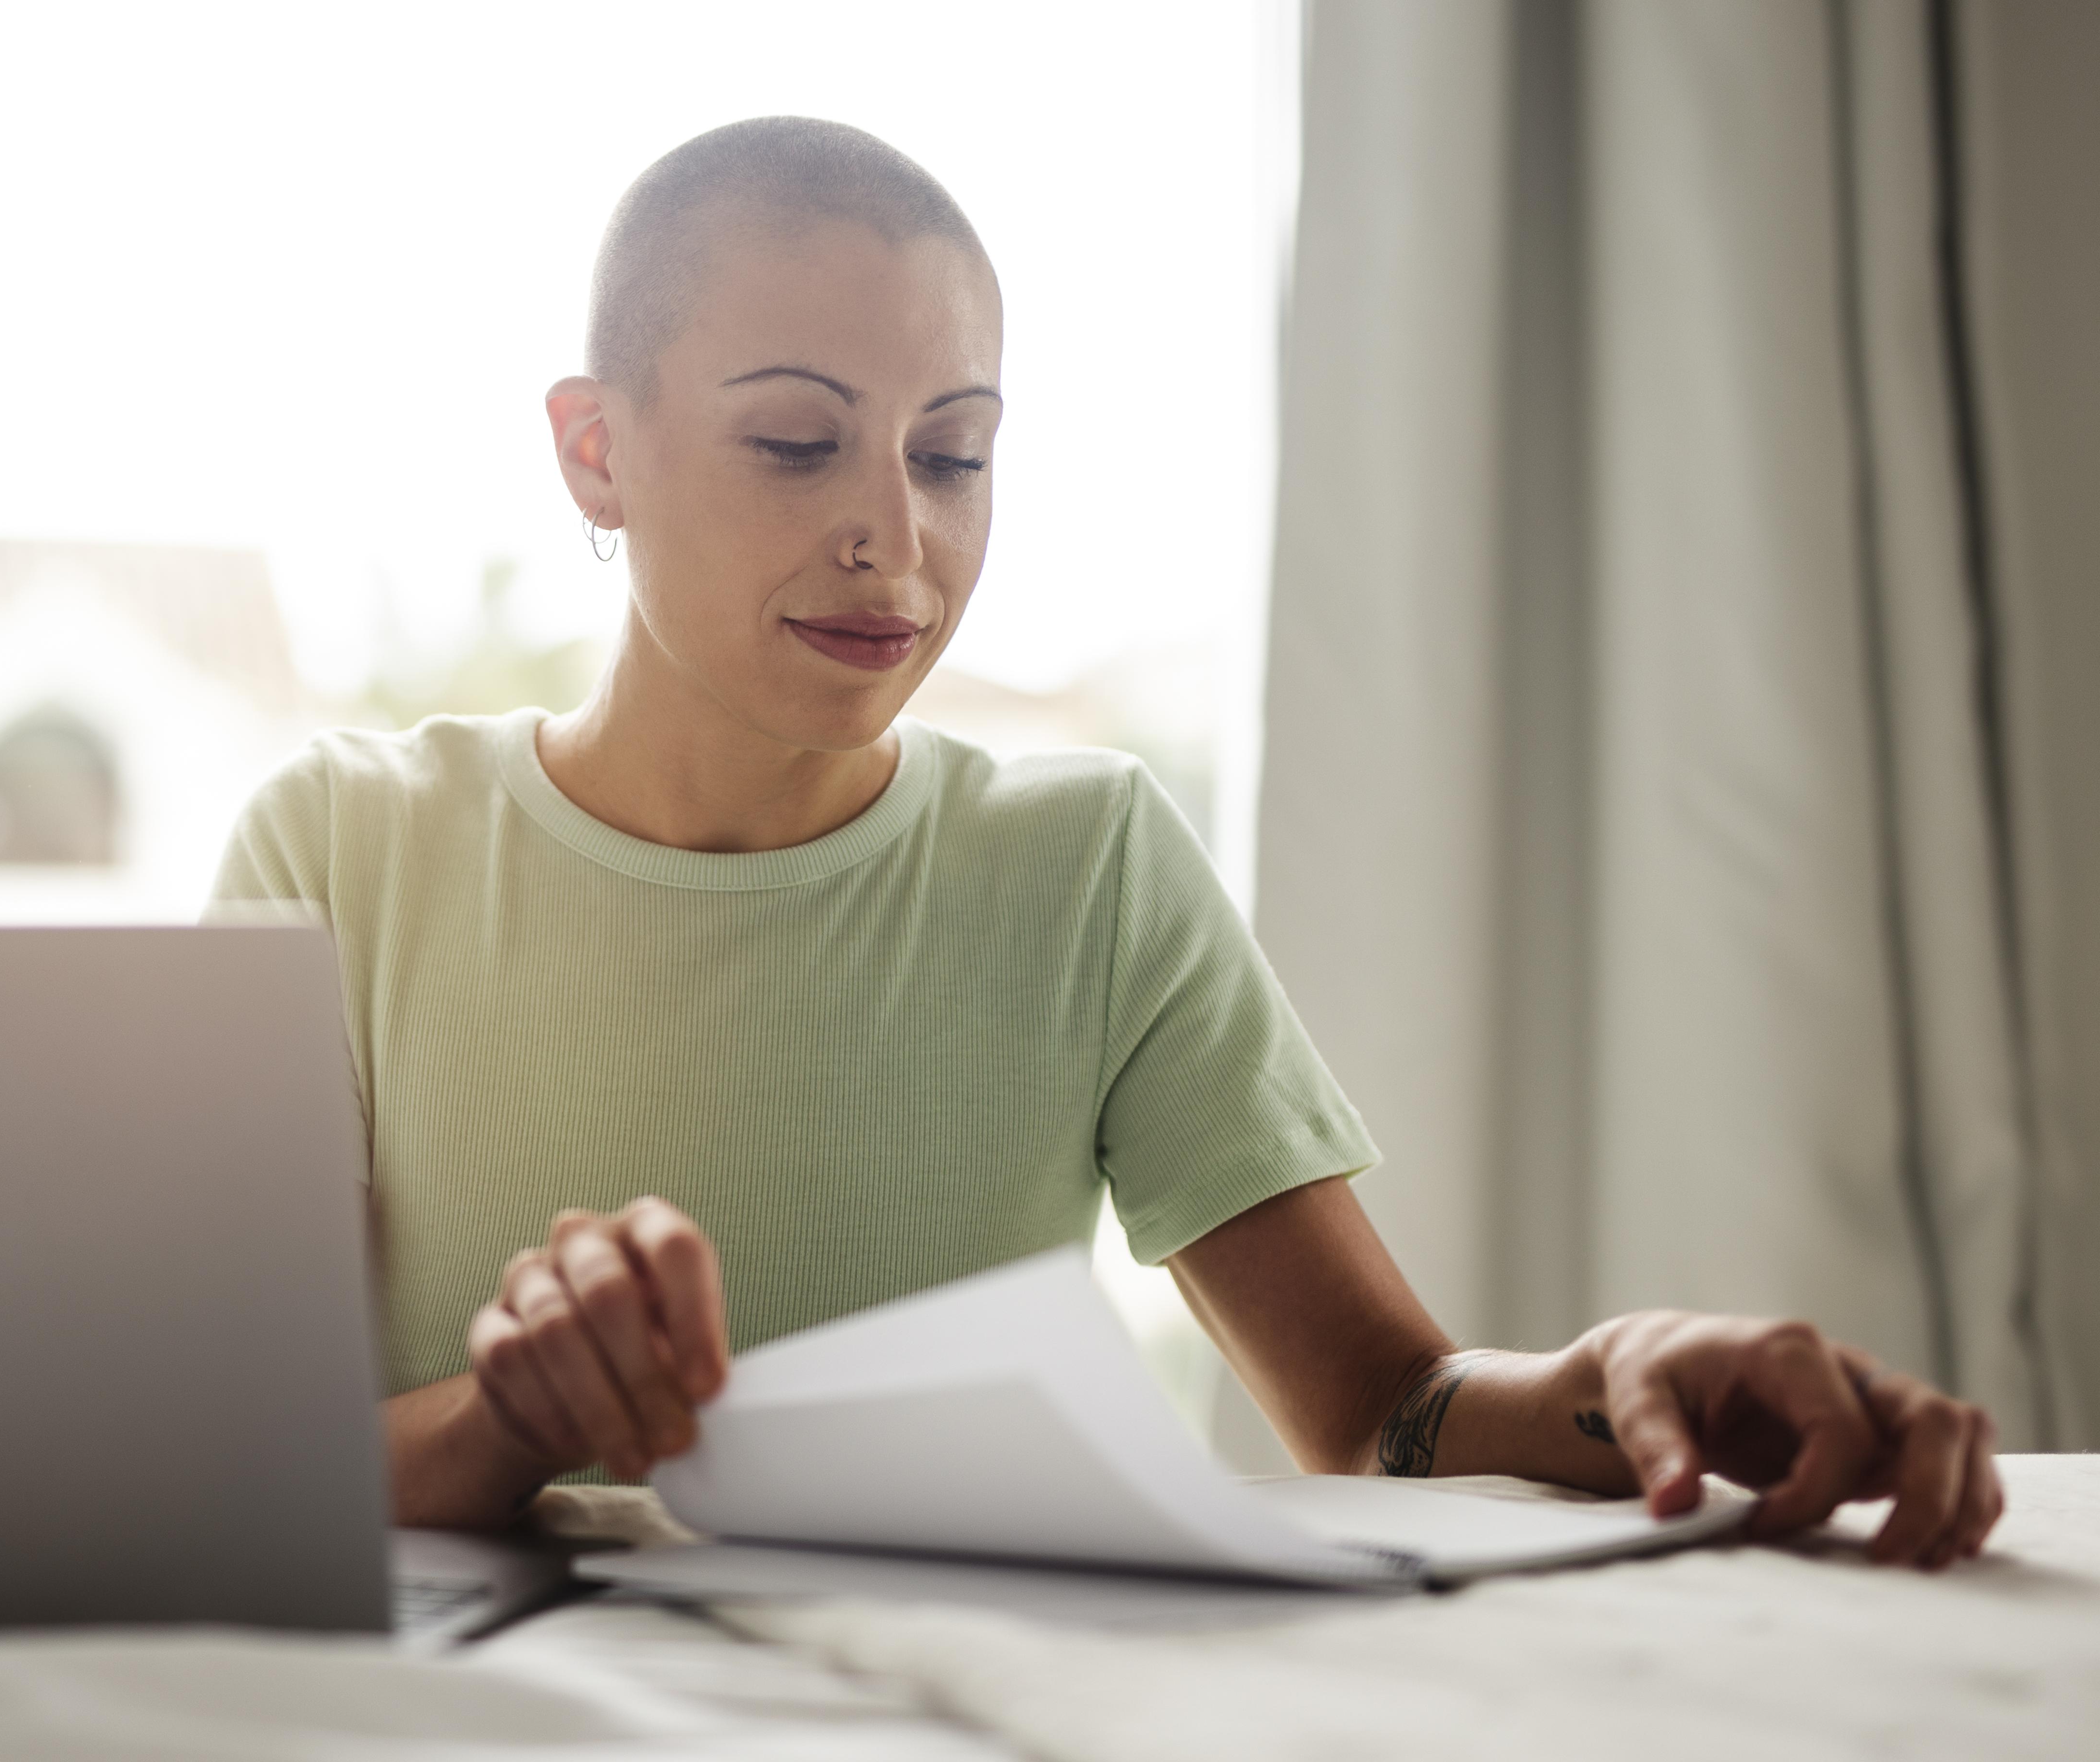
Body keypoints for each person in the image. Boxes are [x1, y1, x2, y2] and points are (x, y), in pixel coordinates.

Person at [212, 117, 2001, 1569]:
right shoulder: (343, 850)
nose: (893, 536)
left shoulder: (1083, 863)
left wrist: (1626, 1379)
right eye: (797, 442)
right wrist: (513, 1422)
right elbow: (239, 1463)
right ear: (597, 452)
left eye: (953, 455)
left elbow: (1379, 1412)